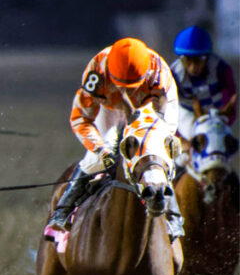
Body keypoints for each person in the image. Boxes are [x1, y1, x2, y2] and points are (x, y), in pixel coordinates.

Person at [47, 37, 183, 238]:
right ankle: (63, 209)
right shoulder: (96, 72)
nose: (128, 91)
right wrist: (100, 150)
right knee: (100, 155)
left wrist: (156, 143)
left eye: (133, 86)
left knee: (154, 152)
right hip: (110, 108)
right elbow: (80, 118)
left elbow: (164, 121)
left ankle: (173, 217)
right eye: (122, 86)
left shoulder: (159, 75)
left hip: (150, 109)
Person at [169, 25, 237, 140]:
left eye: (198, 61)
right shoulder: (174, 74)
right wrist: (179, 138)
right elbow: (170, 108)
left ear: (206, 57)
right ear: (181, 58)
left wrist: (226, 120)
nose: (193, 67)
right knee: (191, 135)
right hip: (187, 114)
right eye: (188, 61)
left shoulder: (221, 69)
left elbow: (230, 101)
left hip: (215, 112)